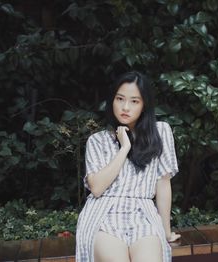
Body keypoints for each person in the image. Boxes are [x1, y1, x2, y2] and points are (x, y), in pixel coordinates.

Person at [76, 71, 181, 262]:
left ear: (144, 105)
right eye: (120, 99)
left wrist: (166, 231)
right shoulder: (97, 141)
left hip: (143, 216)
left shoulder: (161, 132)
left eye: (134, 101)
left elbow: (163, 184)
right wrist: (124, 148)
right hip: (103, 215)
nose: (125, 107)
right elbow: (97, 188)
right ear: (112, 101)